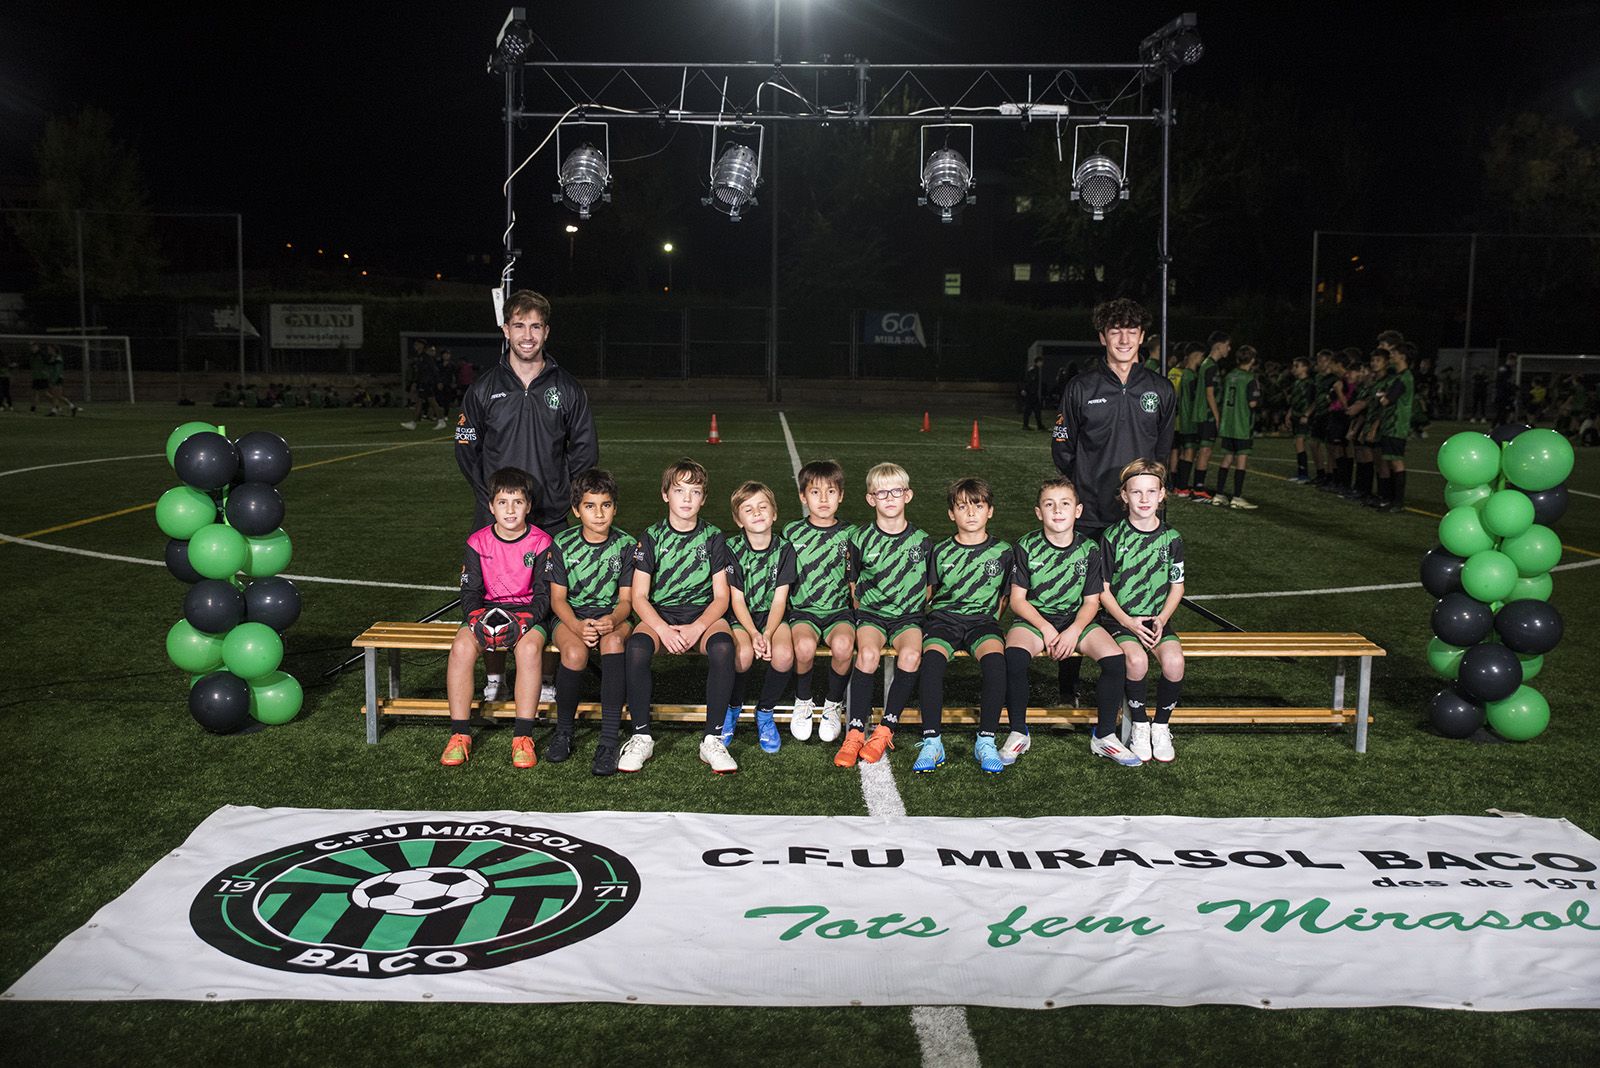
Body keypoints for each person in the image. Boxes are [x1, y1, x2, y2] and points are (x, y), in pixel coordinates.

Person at [457, 290, 598, 702]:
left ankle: (547, 680)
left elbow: (584, 449)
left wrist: (562, 494)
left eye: (535, 326)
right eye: (519, 325)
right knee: (492, 595)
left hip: (549, 516)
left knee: (549, 598)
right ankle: (495, 678)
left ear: (546, 332)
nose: (527, 335)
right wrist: (491, 499)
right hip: (496, 518)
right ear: (506, 330)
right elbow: (466, 447)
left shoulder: (566, 387)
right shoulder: (484, 387)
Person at [1050, 296, 1176, 704]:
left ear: (1142, 337)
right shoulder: (1082, 387)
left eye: (1131, 331)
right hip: (1091, 512)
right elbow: (1062, 446)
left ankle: (1129, 686)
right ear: (1102, 337)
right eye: (1115, 331)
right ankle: (1068, 686)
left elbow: (1163, 453)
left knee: (1136, 593)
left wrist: (1149, 500)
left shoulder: (1160, 389)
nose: (1123, 339)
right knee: (1079, 597)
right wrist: (1083, 486)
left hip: (1140, 516)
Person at [621, 458, 738, 774]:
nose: (687, 499)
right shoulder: (651, 536)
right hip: (661, 614)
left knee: (723, 648)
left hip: (703, 614)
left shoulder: (713, 536)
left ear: (704, 498)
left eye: (695, 492)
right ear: (665, 494)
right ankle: (641, 736)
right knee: (637, 648)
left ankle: (712, 739)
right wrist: (664, 629)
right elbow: (639, 596)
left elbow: (721, 597)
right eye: (679, 490)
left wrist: (697, 628)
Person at [1004, 476, 1130, 766]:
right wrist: (1046, 628)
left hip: (1077, 620)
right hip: (1036, 620)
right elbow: (1018, 600)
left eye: (1065, 503)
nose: (1058, 510)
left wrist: (1074, 630)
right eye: (1049, 504)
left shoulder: (1089, 549)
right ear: (1039, 512)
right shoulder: (1026, 546)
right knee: (1014, 657)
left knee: (1115, 660)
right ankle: (1018, 732)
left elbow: (1091, 602)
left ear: (1078, 510)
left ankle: (1105, 736)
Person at [440, 467, 553, 769]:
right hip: (487, 610)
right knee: (461, 648)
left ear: (529, 506)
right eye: (503, 502)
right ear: (491, 506)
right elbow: (470, 592)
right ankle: (459, 734)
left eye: (518, 502)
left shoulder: (542, 542)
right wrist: (475, 619)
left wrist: (524, 622)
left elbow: (544, 595)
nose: (510, 510)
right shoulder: (477, 542)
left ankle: (523, 736)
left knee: (529, 649)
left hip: (528, 613)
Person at [915, 477, 1013, 775]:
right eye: (962, 507)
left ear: (990, 511)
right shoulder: (941, 551)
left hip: (982, 623)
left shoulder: (1003, 551)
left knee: (996, 664)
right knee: (931, 662)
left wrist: (990, 618)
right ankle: (932, 741)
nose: (971, 513)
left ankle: (986, 740)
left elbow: (1005, 597)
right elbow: (929, 592)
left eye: (978, 506)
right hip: (944, 621)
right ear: (951, 514)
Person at [542, 468, 636, 775]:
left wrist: (612, 620)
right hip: (573, 616)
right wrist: (577, 626)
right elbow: (557, 599)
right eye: (590, 506)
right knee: (574, 653)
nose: (599, 513)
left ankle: (608, 741)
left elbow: (627, 600)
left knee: (614, 642)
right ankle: (563, 732)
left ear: (615, 508)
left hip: (613, 615)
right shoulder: (562, 543)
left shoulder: (627, 544)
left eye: (606, 505)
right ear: (576, 510)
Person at [836, 462, 930, 768]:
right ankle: (855, 733)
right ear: (870, 499)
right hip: (872, 615)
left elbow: (929, 586)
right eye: (881, 493)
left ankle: (885, 729)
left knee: (911, 655)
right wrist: (864, 608)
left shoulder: (922, 541)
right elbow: (853, 582)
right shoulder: (860, 538)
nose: (889, 498)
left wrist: (910, 606)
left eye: (896, 491)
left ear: (908, 495)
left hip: (908, 618)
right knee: (867, 654)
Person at [1096, 459, 1186, 765]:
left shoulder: (1172, 538)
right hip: (1120, 620)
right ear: (1124, 495)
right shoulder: (1112, 537)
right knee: (1136, 661)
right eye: (1136, 492)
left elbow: (1177, 587)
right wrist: (1128, 622)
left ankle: (1160, 726)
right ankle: (1139, 724)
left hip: (1156, 621)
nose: (1144, 499)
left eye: (1151, 491)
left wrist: (1161, 619)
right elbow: (1103, 590)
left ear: (1162, 495)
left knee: (1174, 662)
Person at [722, 481, 798, 756]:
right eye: (748, 509)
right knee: (741, 656)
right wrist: (754, 634)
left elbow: (779, 600)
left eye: (763, 507)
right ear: (738, 520)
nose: (756, 513)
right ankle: (732, 707)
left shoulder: (785, 549)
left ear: (774, 513)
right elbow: (736, 599)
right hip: (741, 615)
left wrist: (766, 633)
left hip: (772, 616)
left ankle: (765, 711)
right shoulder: (731, 548)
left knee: (784, 655)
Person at [783, 460, 855, 744]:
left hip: (839, 612)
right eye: (815, 492)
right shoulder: (791, 532)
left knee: (843, 646)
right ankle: (803, 700)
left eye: (831, 491)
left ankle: (833, 703)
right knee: (803, 647)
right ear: (803, 496)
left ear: (841, 495)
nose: (823, 499)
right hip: (804, 611)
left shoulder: (852, 534)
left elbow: (856, 579)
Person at [1211, 345, 1262, 510]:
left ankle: (1219, 494)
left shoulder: (1229, 375)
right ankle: (1237, 497)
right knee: (1241, 460)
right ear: (1252, 360)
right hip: (1242, 425)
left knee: (1227, 458)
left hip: (1228, 424)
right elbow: (1252, 403)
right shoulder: (1250, 378)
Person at [1186, 331, 1231, 500]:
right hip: (1207, 415)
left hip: (1204, 414)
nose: (1229, 349)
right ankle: (1198, 489)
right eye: (1227, 345)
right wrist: (1217, 416)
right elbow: (1210, 393)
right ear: (1219, 346)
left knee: (1204, 450)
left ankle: (1198, 487)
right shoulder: (1210, 366)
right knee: (1205, 450)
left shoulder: (1208, 364)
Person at [1374, 343, 1415, 513]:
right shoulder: (1400, 376)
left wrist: (1381, 396)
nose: (1391, 356)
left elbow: (1386, 401)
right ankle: (1391, 500)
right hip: (1391, 425)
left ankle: (1398, 502)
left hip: (1397, 426)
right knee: (1391, 462)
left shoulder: (1404, 378)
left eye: (1393, 353)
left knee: (1396, 462)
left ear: (1402, 357)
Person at [1171, 342, 1205, 497]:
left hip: (1179, 419)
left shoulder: (1177, 373)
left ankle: (1177, 484)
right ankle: (1182, 486)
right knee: (1188, 452)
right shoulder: (1189, 375)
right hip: (1187, 419)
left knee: (1179, 451)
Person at [1288, 356, 1316, 483]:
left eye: (1296, 366)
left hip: (1303, 417)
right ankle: (1301, 473)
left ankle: (1304, 475)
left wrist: (1307, 414)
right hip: (1296, 416)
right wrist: (1289, 413)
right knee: (1297, 443)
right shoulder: (1297, 382)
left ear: (1305, 368)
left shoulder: (1310, 383)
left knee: (1300, 442)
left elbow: (1315, 401)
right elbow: (1294, 400)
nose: (1294, 369)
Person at [1020, 355, 1048, 430]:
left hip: (1032, 393)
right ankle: (1030, 425)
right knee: (1030, 410)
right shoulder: (1034, 370)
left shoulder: (1034, 370)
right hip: (1031, 394)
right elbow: (1029, 381)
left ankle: (1036, 425)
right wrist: (1026, 390)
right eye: (1041, 362)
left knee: (1035, 410)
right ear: (1038, 362)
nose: (1042, 363)